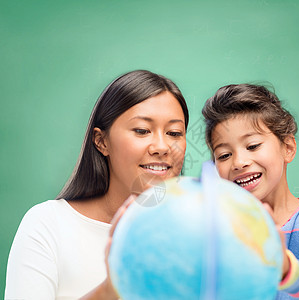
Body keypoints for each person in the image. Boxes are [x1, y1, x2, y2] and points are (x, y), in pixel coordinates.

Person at [5, 70, 189, 299]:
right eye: (142, 131)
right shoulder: (48, 225)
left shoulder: (196, 233)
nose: (162, 147)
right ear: (102, 142)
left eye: (174, 133)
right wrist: (110, 290)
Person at [202, 83, 299, 299]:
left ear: (288, 148)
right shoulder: (217, 233)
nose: (239, 162)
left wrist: (286, 269)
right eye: (224, 155)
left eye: (252, 146)